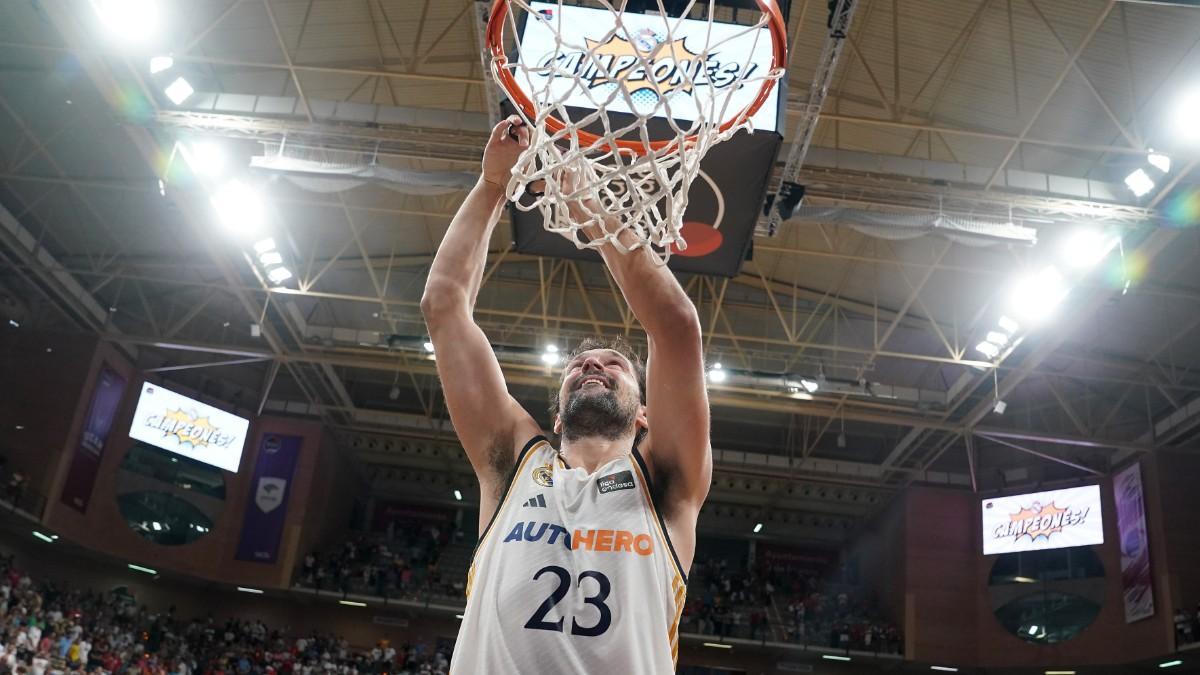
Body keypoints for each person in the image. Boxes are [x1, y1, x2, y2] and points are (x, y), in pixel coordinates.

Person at [422, 115, 711, 674]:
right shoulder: (513, 462)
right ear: (556, 417)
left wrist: (582, 199)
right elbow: (443, 305)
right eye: (577, 365)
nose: (592, 366)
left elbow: (676, 325)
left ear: (646, 415)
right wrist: (491, 186)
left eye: (614, 365)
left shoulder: (668, 480)